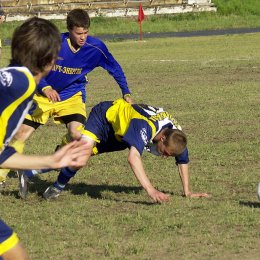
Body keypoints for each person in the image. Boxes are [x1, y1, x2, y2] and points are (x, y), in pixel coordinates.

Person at [0, 8, 133, 185]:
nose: (83, 37)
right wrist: (45, 87)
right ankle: (1, 177)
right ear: (69, 29)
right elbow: (31, 67)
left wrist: (126, 91)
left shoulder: (96, 48)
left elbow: (114, 68)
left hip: (71, 97)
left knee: (76, 133)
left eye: (85, 32)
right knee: (21, 134)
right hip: (43, 97)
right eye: (78, 33)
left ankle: (59, 156)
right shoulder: (55, 44)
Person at [0, 17, 88, 259]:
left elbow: (2, 155)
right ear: (50, 61)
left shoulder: (16, 79)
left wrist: (52, 161)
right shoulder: (21, 83)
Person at [20, 98, 209, 202]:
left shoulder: (176, 136)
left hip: (120, 134)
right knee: (80, 158)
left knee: (77, 159)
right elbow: (133, 159)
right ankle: (50, 182)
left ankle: (31, 172)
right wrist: (150, 190)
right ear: (162, 138)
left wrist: (187, 191)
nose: (165, 156)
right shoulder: (144, 127)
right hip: (104, 118)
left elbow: (183, 160)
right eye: (165, 152)